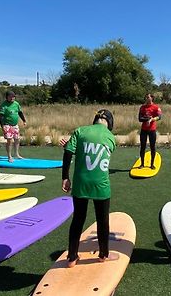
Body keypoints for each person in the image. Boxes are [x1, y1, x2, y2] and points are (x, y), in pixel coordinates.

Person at [62, 109, 119, 268]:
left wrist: (65, 177)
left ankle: (72, 258)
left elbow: (68, 152)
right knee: (103, 220)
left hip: (81, 182)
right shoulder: (111, 138)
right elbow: (98, 155)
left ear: (95, 120)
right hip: (101, 184)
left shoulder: (80, 130)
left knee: (78, 219)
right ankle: (103, 255)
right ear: (110, 123)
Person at [0, 91, 26, 162]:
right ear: (7, 97)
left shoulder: (16, 104)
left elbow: (20, 112)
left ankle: (17, 154)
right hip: (7, 125)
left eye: (13, 97)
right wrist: (2, 126)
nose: (12, 98)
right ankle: (9, 156)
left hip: (15, 125)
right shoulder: (3, 105)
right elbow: (0, 116)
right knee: (9, 141)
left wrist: (24, 120)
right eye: (10, 97)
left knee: (17, 140)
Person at [138, 93, 162, 169]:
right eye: (146, 97)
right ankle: (142, 164)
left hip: (152, 130)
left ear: (152, 98)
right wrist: (147, 119)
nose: (146, 98)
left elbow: (159, 117)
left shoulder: (156, 107)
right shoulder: (142, 107)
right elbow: (139, 119)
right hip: (144, 130)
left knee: (152, 147)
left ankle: (152, 164)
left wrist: (152, 119)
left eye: (148, 97)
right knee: (142, 147)